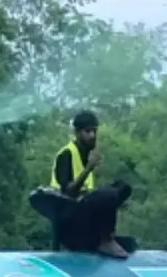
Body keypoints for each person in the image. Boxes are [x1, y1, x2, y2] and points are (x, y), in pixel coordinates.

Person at [50, 109, 132, 257]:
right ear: (77, 132)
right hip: (69, 219)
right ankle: (105, 240)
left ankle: (105, 236)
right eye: (87, 132)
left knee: (123, 187)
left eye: (94, 131)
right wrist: (88, 169)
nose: (92, 136)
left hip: (85, 215)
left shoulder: (86, 155)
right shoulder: (66, 154)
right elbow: (67, 192)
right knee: (106, 194)